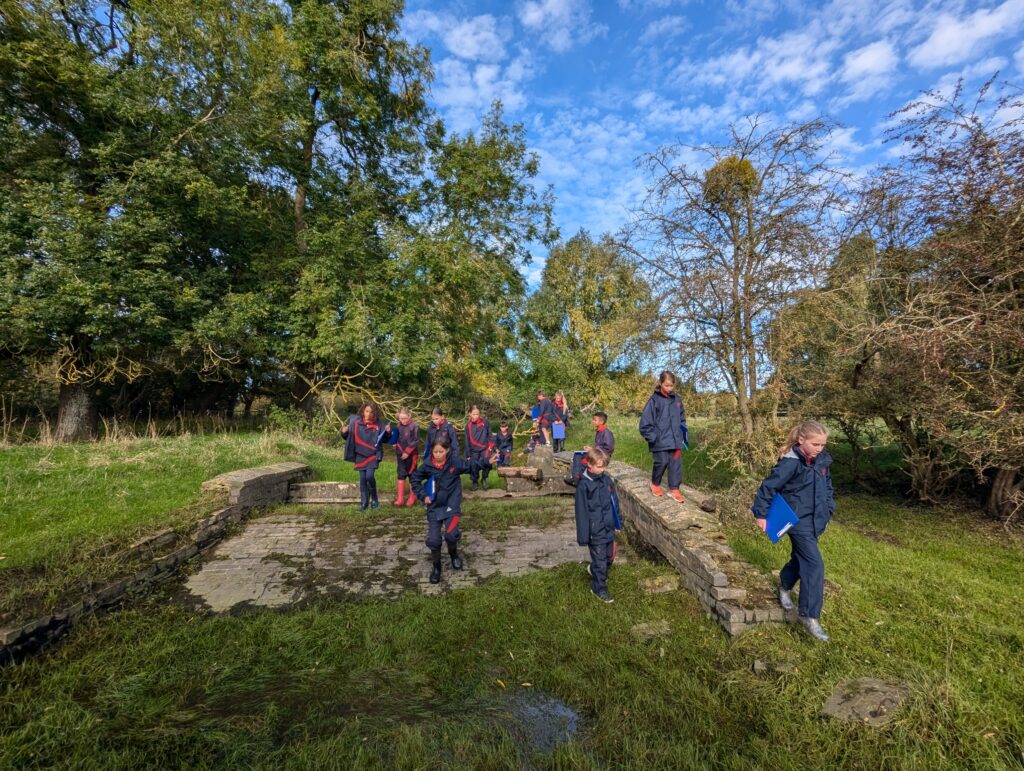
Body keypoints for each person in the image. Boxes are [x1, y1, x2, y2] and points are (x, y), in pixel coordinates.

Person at [752, 420, 835, 642]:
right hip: (796, 520)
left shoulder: (822, 461)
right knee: (814, 563)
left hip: (817, 519)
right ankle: (809, 616)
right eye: (815, 444)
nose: (819, 449)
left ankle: (784, 585)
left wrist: (829, 508)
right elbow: (769, 486)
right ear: (801, 440)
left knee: (801, 559)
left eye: (823, 445)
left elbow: (827, 486)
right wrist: (760, 514)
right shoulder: (790, 463)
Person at [410, 435, 499, 584]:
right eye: (435, 452)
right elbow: (415, 479)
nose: (437, 455)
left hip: (452, 506)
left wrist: (486, 461)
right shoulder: (426, 465)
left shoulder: (455, 463)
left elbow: (471, 466)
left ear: (447, 450)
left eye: (441, 452)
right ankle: (437, 567)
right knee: (433, 540)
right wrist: (423, 495)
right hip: (434, 507)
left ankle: (454, 555)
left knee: (451, 535)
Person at [574, 447, 617, 603]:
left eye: (604, 466)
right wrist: (584, 536)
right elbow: (581, 512)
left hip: (608, 527)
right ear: (589, 465)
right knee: (600, 562)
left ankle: (593, 570)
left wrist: (617, 522)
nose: (602, 469)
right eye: (599, 466)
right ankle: (599, 589)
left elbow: (614, 503)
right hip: (595, 531)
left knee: (609, 558)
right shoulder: (584, 485)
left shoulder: (606, 480)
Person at [639, 371, 688, 503]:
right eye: (666, 385)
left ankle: (674, 489)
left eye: (671, 386)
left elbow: (682, 419)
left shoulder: (677, 400)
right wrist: (653, 437)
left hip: (676, 440)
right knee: (661, 462)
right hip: (659, 440)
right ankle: (655, 483)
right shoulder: (654, 400)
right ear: (660, 383)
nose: (669, 388)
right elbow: (645, 423)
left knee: (675, 464)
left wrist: (683, 436)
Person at [341, 403, 391, 511]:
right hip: (360, 454)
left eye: (371, 412)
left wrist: (387, 432)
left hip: (373, 455)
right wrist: (343, 432)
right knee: (362, 479)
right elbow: (348, 436)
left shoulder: (379, 424)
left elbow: (385, 439)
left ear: (375, 413)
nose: (368, 414)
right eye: (367, 411)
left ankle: (374, 499)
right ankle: (364, 503)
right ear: (363, 411)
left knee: (369, 476)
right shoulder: (355, 422)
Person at [565, 411, 615, 486]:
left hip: (603, 456)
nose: (593, 421)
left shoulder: (606, 433)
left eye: (595, 420)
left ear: (601, 422)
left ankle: (578, 479)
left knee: (584, 460)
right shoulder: (599, 431)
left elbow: (609, 448)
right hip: (597, 453)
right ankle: (576, 477)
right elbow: (600, 446)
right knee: (578, 455)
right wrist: (591, 449)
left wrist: (593, 450)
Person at [393, 407, 420, 506]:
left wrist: (408, 452)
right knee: (401, 473)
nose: (403, 421)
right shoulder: (399, 425)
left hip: (412, 454)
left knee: (412, 474)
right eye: (401, 418)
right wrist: (394, 443)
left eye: (405, 418)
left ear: (409, 416)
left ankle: (413, 496)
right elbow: (397, 437)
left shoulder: (414, 426)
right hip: (400, 453)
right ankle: (400, 498)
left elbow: (416, 441)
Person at [464, 405, 495, 490]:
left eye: (477, 414)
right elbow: (467, 440)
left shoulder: (485, 422)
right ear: (470, 414)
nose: (475, 416)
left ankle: (484, 479)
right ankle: (474, 481)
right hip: (473, 450)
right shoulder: (468, 426)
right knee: (473, 465)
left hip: (485, 448)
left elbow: (490, 435)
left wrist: (491, 446)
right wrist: (468, 454)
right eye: (473, 414)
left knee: (488, 463)